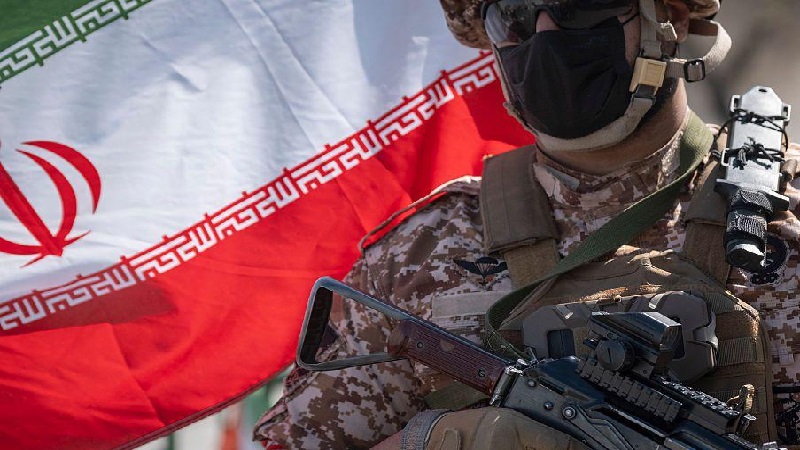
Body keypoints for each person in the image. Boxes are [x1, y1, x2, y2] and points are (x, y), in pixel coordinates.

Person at [253, 0, 800, 448]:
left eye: (578, 9)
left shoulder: (785, 216)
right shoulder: (420, 252)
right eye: (512, 16)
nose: (545, 37)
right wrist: (442, 439)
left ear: (670, 18)